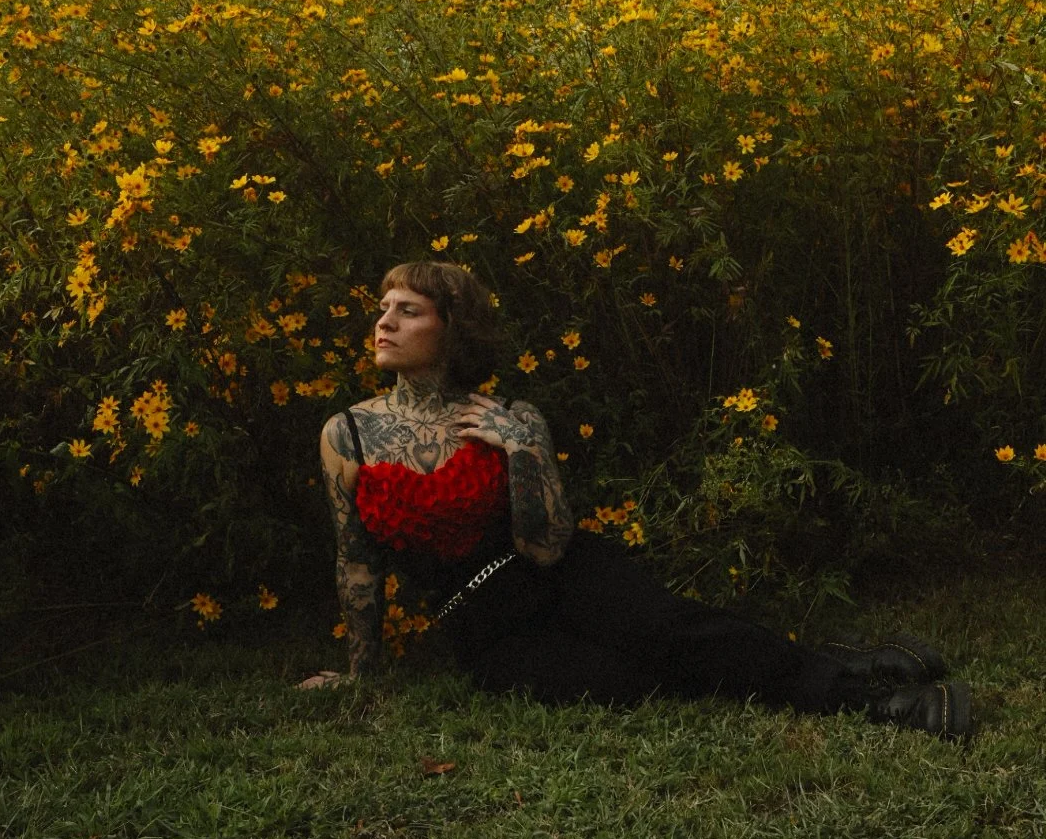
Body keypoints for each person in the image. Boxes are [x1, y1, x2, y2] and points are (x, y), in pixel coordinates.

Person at [298, 261, 972, 740]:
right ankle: (831, 658)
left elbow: (547, 543)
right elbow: (357, 563)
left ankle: (878, 701)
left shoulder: (510, 415)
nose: (382, 322)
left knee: (669, 632)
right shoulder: (347, 434)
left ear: (452, 329)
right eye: (382, 308)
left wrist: (523, 449)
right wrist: (362, 674)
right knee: (622, 681)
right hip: (486, 626)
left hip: (565, 575)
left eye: (406, 310)